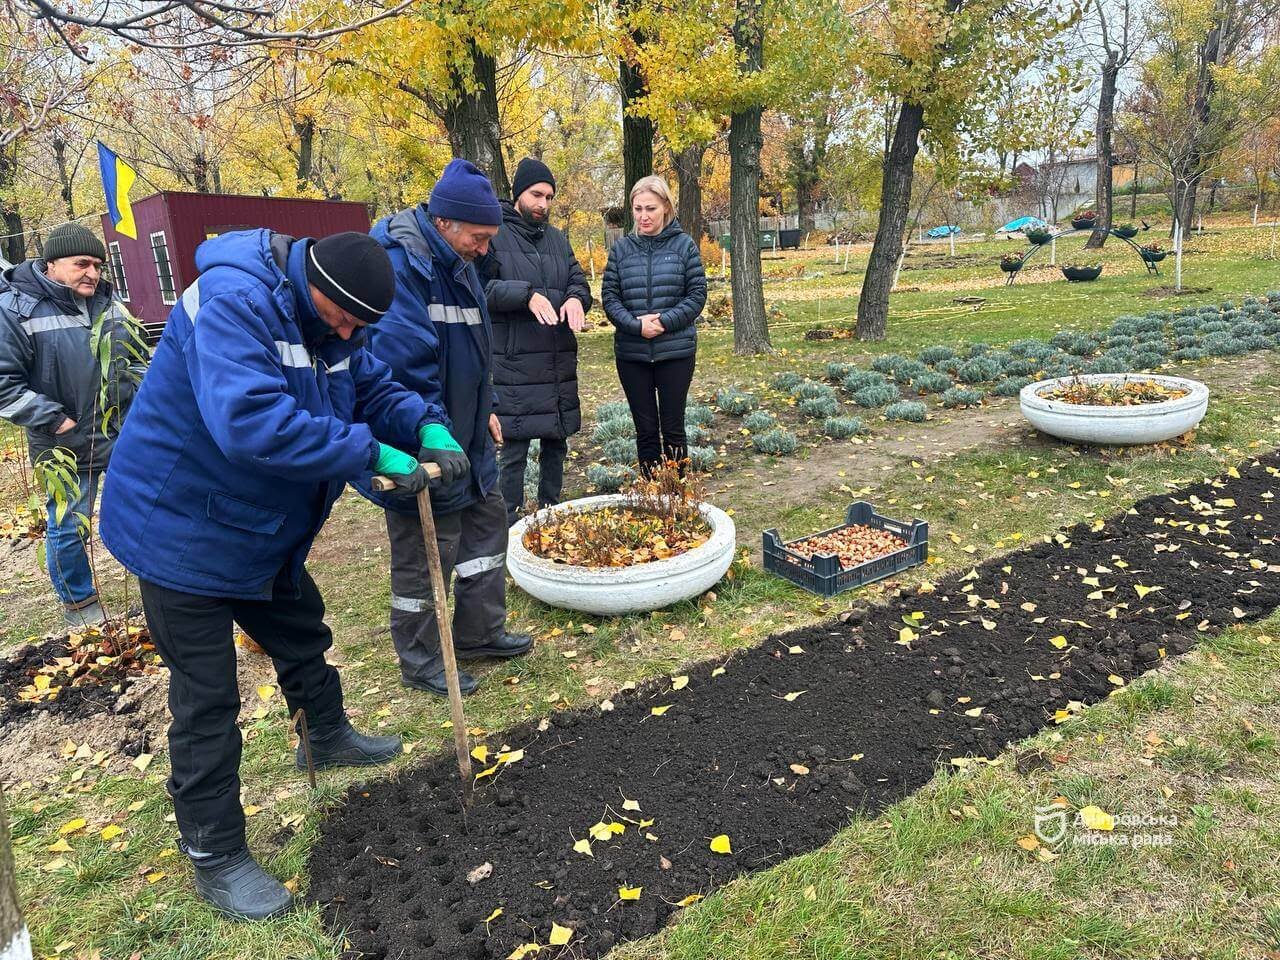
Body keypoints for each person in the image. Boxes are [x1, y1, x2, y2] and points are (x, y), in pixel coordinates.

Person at [99, 229, 441, 922]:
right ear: (314, 286)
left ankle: (327, 735)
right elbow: (250, 422)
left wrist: (424, 425)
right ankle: (216, 853)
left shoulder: (332, 323)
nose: (349, 333)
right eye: (343, 317)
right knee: (208, 698)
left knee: (301, 630)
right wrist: (369, 450)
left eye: (359, 326)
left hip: (255, 526)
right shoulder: (231, 301)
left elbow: (368, 383)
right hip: (178, 527)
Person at [362, 158, 533, 699]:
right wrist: (433, 433)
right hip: (420, 435)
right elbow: (403, 370)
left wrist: (487, 405)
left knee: (486, 521)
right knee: (425, 550)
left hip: (466, 426)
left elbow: (472, 349)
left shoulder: (459, 262)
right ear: (444, 222)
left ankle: (480, 632)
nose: (485, 249)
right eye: (478, 238)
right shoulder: (402, 265)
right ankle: (423, 659)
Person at [0, 222, 143, 627]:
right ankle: (79, 604)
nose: (93, 273)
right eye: (82, 263)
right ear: (51, 264)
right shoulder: (14, 310)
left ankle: (156, 582)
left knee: (144, 508)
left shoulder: (110, 304)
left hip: (122, 436)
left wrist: (144, 404)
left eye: (98, 264)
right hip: (63, 444)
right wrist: (58, 422)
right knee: (67, 526)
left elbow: (134, 360)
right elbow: (3, 384)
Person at [480, 157, 592, 526]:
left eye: (548, 196)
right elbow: (481, 288)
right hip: (515, 361)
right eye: (536, 195)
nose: (542, 204)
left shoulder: (558, 239)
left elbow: (577, 279)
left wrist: (576, 298)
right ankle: (510, 524)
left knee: (556, 441)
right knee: (515, 446)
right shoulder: (494, 235)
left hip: (557, 356)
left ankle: (552, 510)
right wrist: (525, 295)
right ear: (518, 195)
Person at [601, 175, 707, 474]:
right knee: (645, 430)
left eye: (650, 208)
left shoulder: (684, 246)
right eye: (637, 209)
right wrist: (636, 326)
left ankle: (678, 494)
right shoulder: (621, 250)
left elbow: (697, 295)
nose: (643, 216)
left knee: (673, 428)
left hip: (675, 352)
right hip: (633, 353)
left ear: (666, 208)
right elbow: (610, 297)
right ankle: (652, 497)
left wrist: (663, 322)